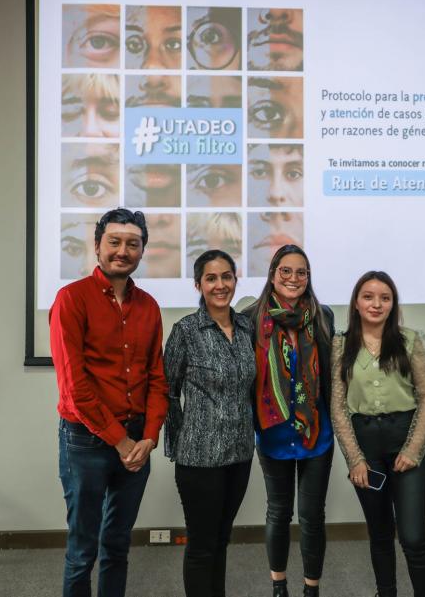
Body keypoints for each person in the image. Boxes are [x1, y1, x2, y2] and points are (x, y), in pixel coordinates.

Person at [49, 208, 170, 597]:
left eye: (133, 244)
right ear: (98, 245)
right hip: (86, 440)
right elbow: (75, 387)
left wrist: (148, 437)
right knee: (82, 549)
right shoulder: (71, 299)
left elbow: (156, 377)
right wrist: (121, 442)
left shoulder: (148, 306)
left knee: (117, 544)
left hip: (137, 439)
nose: (123, 251)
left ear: (142, 251)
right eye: (114, 242)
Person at [329, 271, 425, 597]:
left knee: (414, 538)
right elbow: (337, 407)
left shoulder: (410, 341)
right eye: (368, 296)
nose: (376, 304)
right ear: (356, 302)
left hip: (405, 440)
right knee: (380, 534)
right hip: (365, 447)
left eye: (385, 298)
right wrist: (355, 459)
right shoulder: (340, 345)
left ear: (393, 304)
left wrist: (413, 449)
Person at [242, 245, 335, 597]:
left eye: (301, 272)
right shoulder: (251, 317)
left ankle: (311, 589)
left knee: (312, 516)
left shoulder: (323, 316)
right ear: (272, 274)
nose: (293, 278)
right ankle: (278, 586)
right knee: (278, 512)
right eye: (286, 271)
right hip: (273, 433)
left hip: (316, 433)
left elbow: (329, 374)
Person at [164, 250, 257, 597]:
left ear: (235, 280)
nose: (220, 285)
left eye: (226, 277)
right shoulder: (186, 331)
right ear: (198, 285)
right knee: (202, 545)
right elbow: (167, 391)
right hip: (199, 459)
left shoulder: (247, 328)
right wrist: (181, 441)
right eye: (211, 278)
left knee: (221, 539)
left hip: (240, 454)